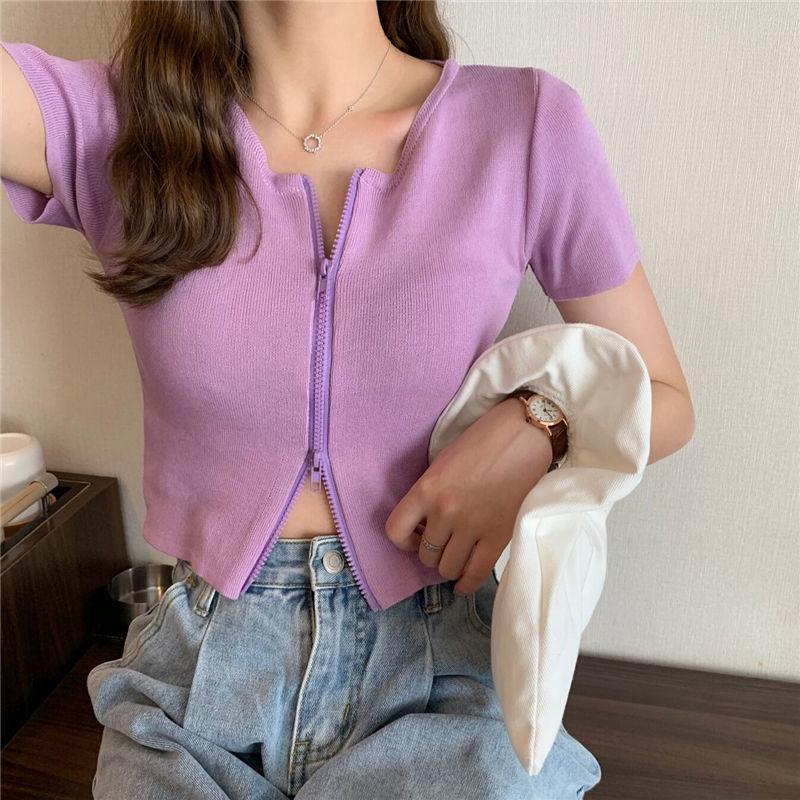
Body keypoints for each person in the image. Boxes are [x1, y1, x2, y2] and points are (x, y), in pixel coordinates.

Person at [1, 2, 695, 798]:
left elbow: (665, 398)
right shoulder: (119, 124)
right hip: (194, 684)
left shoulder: (523, 124)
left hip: (441, 675)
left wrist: (543, 424)